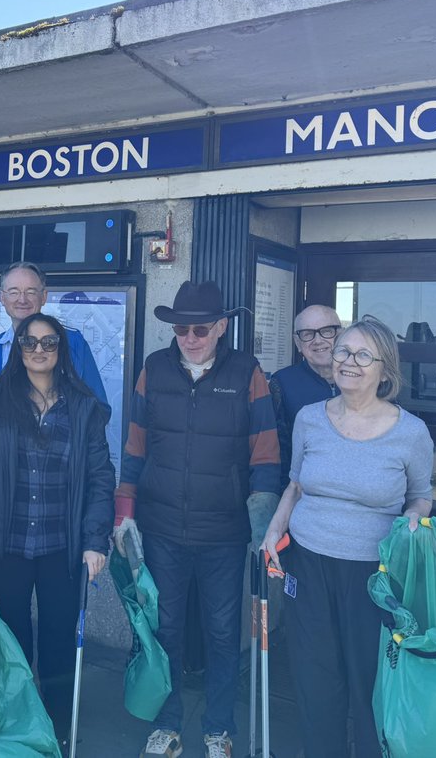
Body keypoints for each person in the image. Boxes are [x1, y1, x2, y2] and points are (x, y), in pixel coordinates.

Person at [114, 281, 281, 758]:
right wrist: (124, 513)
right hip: (161, 527)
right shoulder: (154, 368)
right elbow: (135, 446)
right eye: (181, 329)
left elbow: (265, 453)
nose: (189, 338)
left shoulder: (247, 372)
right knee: (164, 630)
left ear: (221, 327)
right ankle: (167, 726)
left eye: (200, 329)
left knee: (223, 634)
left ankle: (218, 729)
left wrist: (262, 528)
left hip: (224, 533)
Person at [260, 317, 433, 758]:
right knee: (315, 679)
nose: (348, 361)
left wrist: (413, 520)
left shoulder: (411, 432)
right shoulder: (309, 419)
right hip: (308, 564)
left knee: (370, 681)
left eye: (362, 355)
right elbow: (295, 486)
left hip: (373, 574)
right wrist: (273, 532)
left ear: (384, 369)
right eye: (343, 351)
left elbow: (421, 496)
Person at [0, 312, 113, 747]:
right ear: (18, 349)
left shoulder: (83, 406)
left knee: (59, 640)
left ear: (62, 350)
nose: (39, 350)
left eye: (48, 342)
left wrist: (96, 540)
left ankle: (56, 730)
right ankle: (17, 726)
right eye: (29, 342)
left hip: (63, 545)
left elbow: (101, 477)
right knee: (10, 639)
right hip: (4, 543)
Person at [0, 261, 107, 411]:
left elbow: (98, 409)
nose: (22, 299)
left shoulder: (73, 344)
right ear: (2, 298)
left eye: (31, 292)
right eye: (14, 292)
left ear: (44, 297)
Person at [268, 304, 342, 488]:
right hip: (303, 491)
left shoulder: (362, 377)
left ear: (341, 335)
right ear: (297, 342)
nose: (318, 340)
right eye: (308, 334)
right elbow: (277, 449)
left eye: (327, 331)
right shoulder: (282, 383)